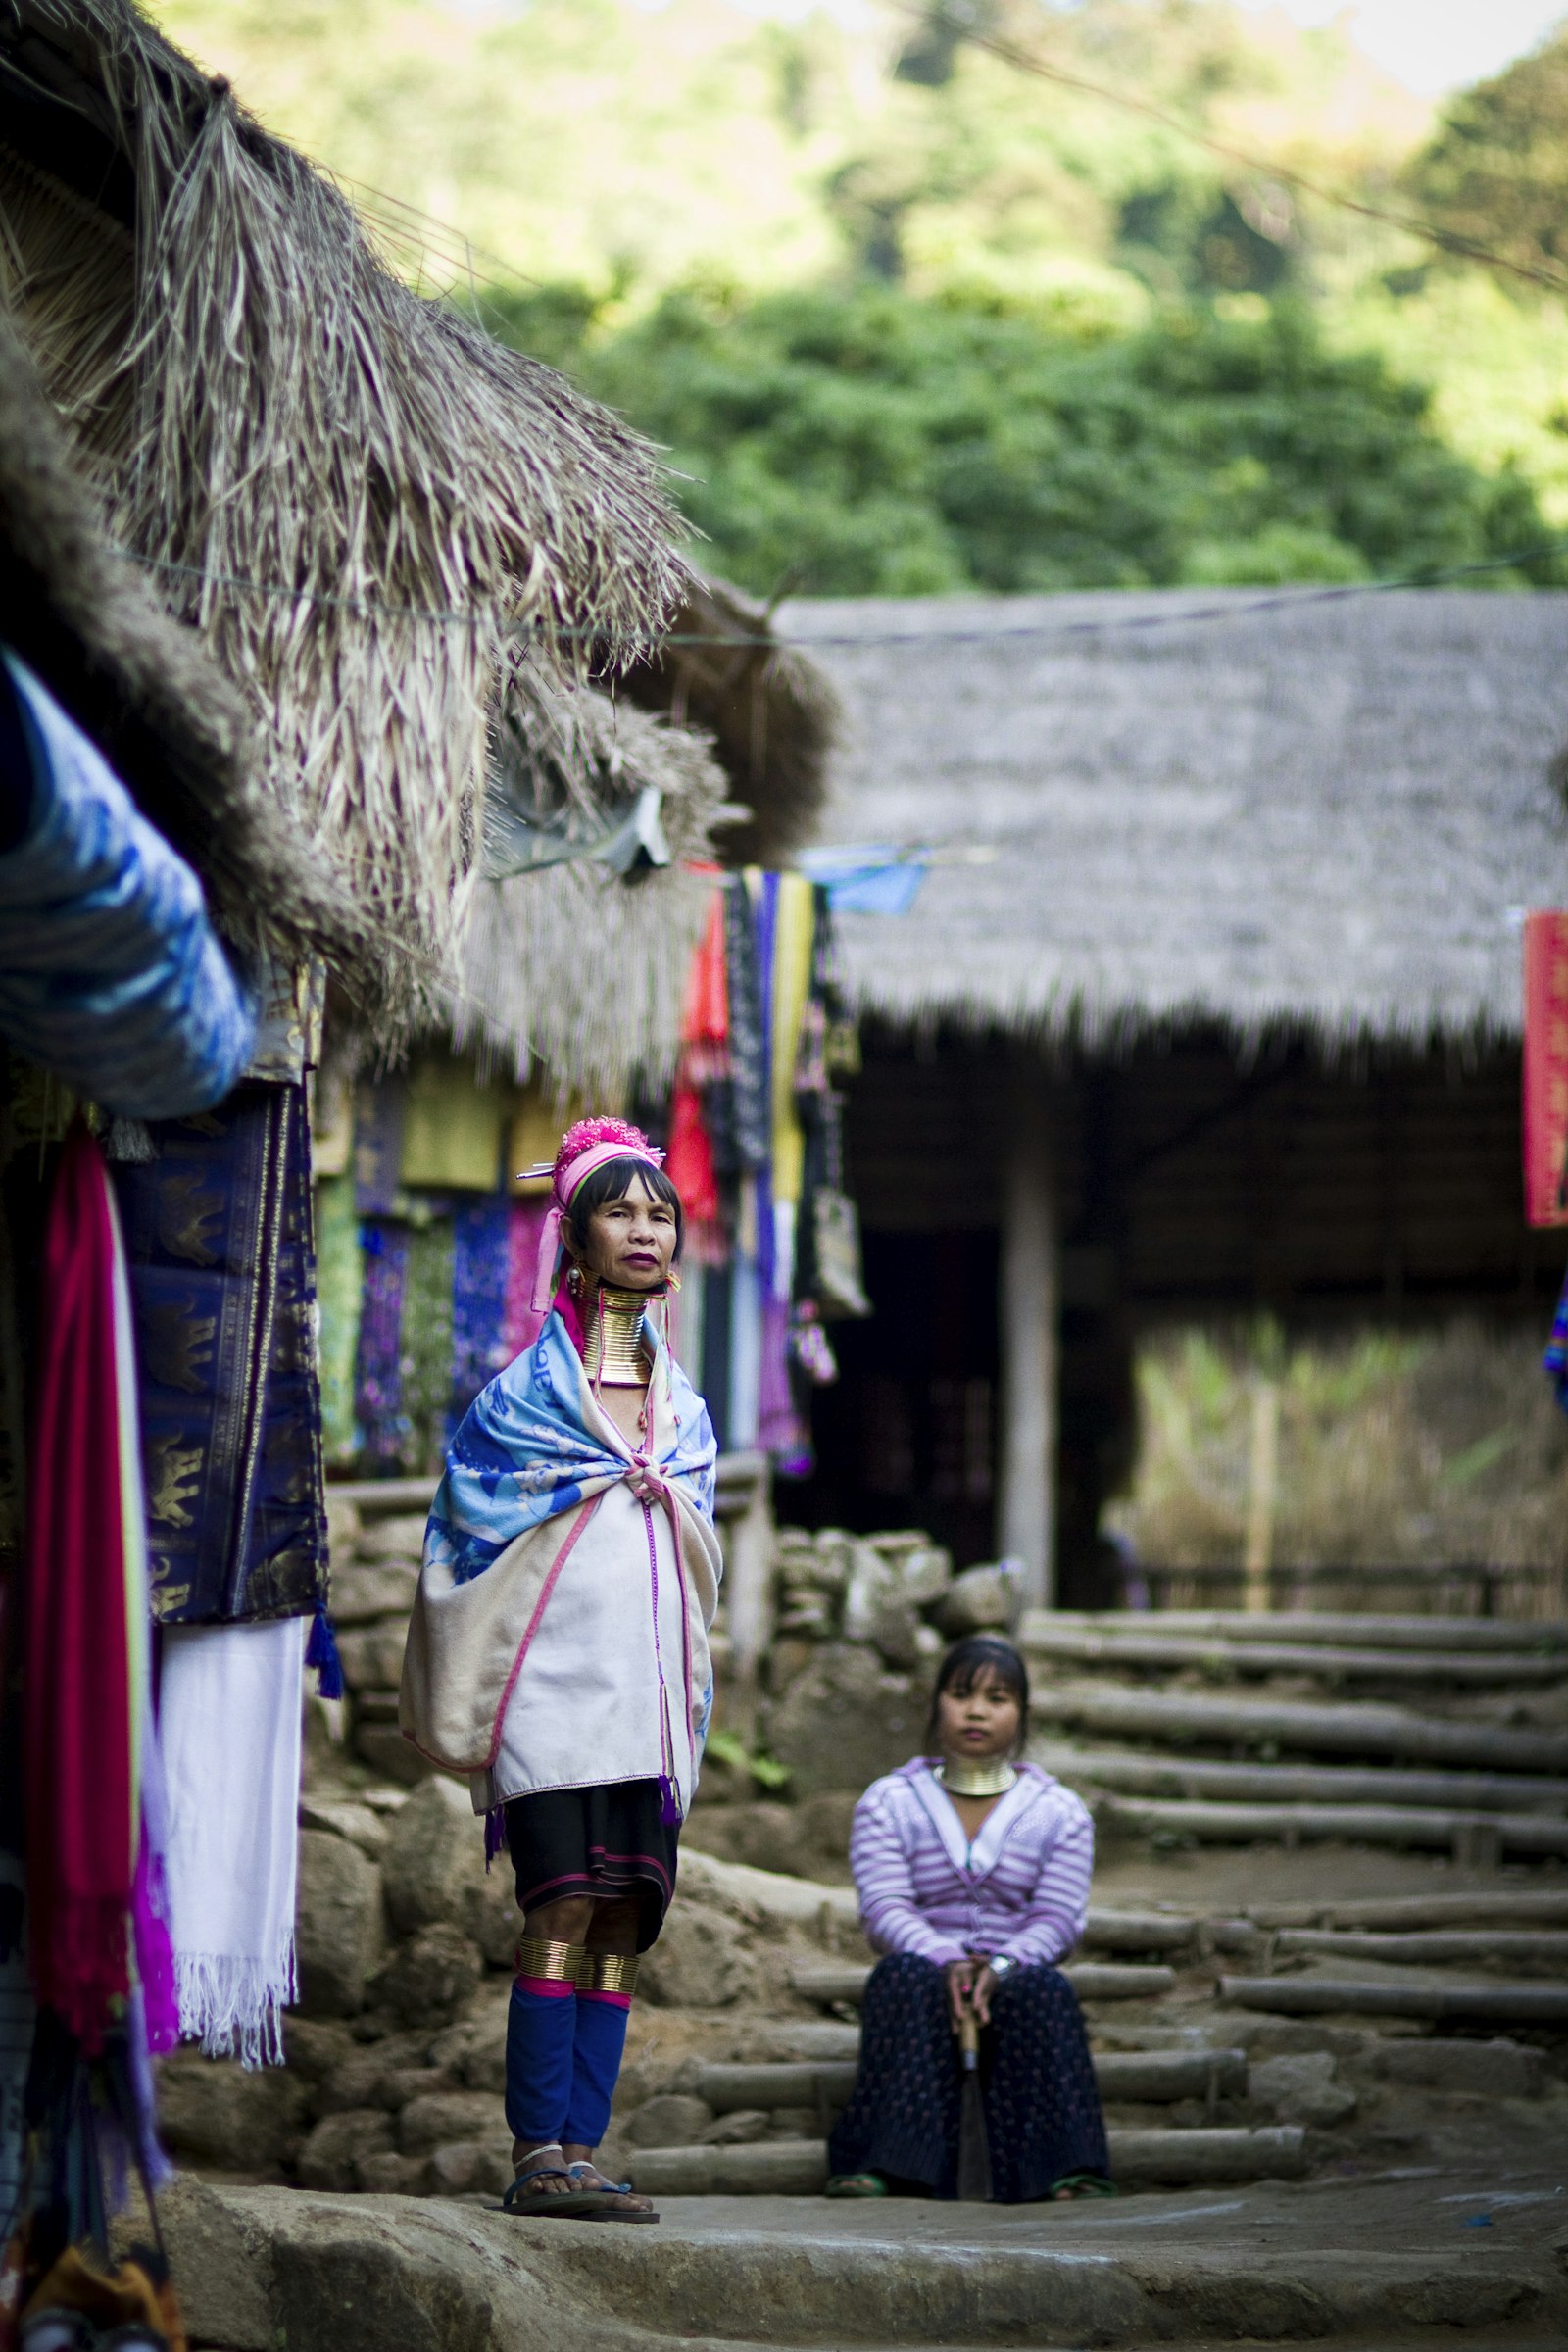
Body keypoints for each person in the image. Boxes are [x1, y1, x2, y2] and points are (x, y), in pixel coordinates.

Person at [401, 1117, 721, 2223]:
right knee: (564, 1907)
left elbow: (697, 1561)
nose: (644, 1228)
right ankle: (538, 2150)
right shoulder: (520, 1407)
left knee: (628, 1917)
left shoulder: (686, 1417)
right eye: (619, 1212)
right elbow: (463, 1530)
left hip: (645, 1705)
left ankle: (584, 2147)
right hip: (549, 1700)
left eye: (659, 1212)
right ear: (574, 1244)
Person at [825, 1633, 1113, 2203]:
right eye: (961, 1694)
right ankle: (889, 2167)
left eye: (998, 1697)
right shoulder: (890, 1801)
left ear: (1023, 1714)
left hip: (1015, 1970)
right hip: (925, 1966)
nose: (977, 1710)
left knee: (1044, 1990)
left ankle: (1062, 2171)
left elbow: (1057, 1919)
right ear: (936, 1704)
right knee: (900, 1977)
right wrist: (948, 1960)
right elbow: (885, 1907)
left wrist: (1002, 1965)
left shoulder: (1058, 1813)